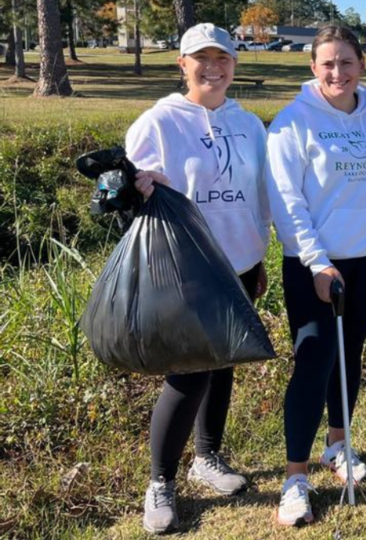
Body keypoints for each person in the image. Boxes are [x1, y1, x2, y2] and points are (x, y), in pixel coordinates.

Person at [126, 23, 270, 535]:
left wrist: (260, 255)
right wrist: (141, 188)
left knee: (225, 359)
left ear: (235, 64)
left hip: (240, 262)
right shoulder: (159, 122)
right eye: (200, 59)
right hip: (187, 267)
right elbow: (133, 200)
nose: (213, 67)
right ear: (181, 65)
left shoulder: (250, 125)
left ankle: (207, 459)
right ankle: (160, 483)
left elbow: (257, 195)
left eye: (222, 58)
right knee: (188, 373)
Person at [265, 25, 366, 527]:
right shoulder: (292, 124)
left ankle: (338, 444)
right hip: (315, 265)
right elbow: (287, 202)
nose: (337, 72)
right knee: (314, 358)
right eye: (327, 64)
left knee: (351, 351)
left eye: (346, 62)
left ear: (361, 65)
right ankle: (295, 477)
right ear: (312, 68)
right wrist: (317, 261)